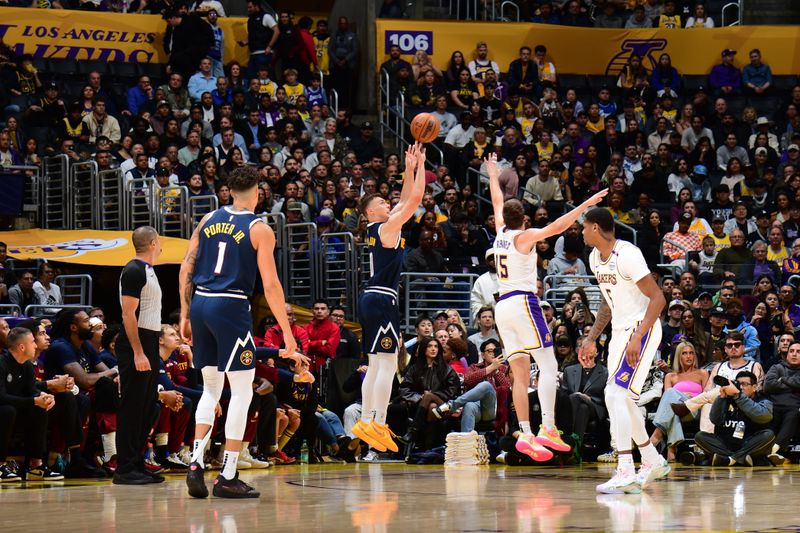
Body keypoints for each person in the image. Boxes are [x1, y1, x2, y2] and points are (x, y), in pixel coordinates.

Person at [179, 166, 303, 499]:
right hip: (231, 306)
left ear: (229, 191)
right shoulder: (260, 228)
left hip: (202, 302)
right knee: (242, 390)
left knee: (210, 389)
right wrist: (288, 336)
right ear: (258, 191)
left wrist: (185, 313)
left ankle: (195, 462)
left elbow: (186, 266)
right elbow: (271, 285)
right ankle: (228, 474)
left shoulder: (207, 219)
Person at [485, 152, 606, 462]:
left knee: (520, 373)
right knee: (550, 365)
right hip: (524, 302)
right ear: (523, 218)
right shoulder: (524, 237)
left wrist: (491, 172)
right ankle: (548, 427)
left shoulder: (500, 233)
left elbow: (498, 201)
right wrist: (584, 207)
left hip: (502, 307)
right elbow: (557, 226)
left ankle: (525, 432)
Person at [580, 207, 670, 494]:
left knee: (614, 394)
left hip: (640, 328)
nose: (581, 232)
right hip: (620, 331)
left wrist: (638, 336)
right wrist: (592, 336)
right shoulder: (595, 258)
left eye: (584, 227)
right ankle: (651, 459)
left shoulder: (627, 254)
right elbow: (608, 302)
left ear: (595, 228)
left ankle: (625, 469)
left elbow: (659, 299)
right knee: (625, 401)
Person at [352, 143, 427, 455]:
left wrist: (408, 170)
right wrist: (421, 166)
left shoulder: (378, 227)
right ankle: (377, 421)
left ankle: (367, 420)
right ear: (371, 211)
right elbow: (415, 200)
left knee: (374, 363)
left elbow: (403, 201)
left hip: (372, 298)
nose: (389, 204)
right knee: (385, 365)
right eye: (383, 202)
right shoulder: (385, 228)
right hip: (383, 299)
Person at [113, 227, 167, 486]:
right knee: (132, 408)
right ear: (154, 243)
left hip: (150, 339)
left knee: (147, 407)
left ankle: (136, 463)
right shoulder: (134, 269)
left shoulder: (148, 270)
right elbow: (127, 315)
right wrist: (137, 352)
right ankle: (124, 468)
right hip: (137, 343)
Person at [0, 327, 62, 482]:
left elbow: (32, 390)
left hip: (15, 410)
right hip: (3, 410)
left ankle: (36, 465)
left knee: (40, 409)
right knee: (8, 411)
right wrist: (34, 400)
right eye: (33, 341)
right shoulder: (2, 363)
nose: (35, 345)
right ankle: (0, 465)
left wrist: (44, 396)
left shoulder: (26, 365)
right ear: (22, 347)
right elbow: (1, 397)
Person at [694, 370, 774, 466]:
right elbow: (715, 420)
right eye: (738, 384)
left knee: (768, 435)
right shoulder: (727, 398)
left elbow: (764, 416)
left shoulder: (763, 400)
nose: (740, 387)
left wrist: (738, 396)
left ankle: (727, 459)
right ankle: (741, 459)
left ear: (754, 387)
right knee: (700, 436)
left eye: (744, 384)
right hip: (724, 444)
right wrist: (721, 398)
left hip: (747, 444)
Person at [763, 340, 800, 464]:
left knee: (794, 414)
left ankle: (775, 450)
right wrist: (792, 385)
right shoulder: (777, 367)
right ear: (787, 353)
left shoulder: (781, 373)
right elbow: (768, 386)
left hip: (794, 407)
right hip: (774, 405)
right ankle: (766, 451)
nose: (794, 354)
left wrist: (782, 379)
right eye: (792, 351)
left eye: (798, 352)